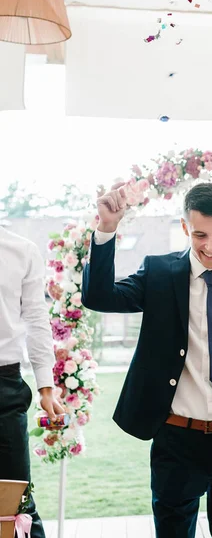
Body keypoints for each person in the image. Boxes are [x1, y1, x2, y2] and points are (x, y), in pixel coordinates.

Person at [81, 182, 212, 538]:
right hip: (175, 438)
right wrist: (107, 227)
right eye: (200, 234)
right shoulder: (159, 274)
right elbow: (99, 296)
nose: (211, 246)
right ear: (185, 227)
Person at [0, 226, 63, 537]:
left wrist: (45, 387)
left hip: (4, 387)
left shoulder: (21, 250)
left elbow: (37, 319)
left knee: (16, 502)